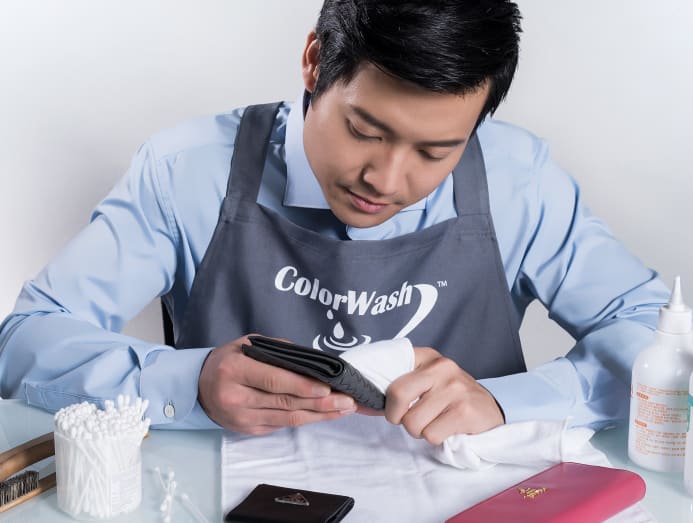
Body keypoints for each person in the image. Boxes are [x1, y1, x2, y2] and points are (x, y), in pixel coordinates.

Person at [0, 0, 669, 445]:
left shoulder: (519, 178)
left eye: (435, 151)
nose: (386, 180)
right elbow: (26, 340)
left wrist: (509, 403)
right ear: (315, 62)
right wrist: (189, 383)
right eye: (364, 131)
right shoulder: (186, 171)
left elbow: (652, 330)